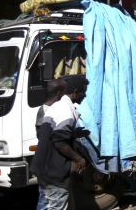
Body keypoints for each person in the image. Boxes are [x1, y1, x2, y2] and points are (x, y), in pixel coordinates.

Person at [31, 75, 89, 210]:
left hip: (45, 168)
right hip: (54, 171)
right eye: (83, 92)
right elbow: (59, 142)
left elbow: (52, 134)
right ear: (75, 92)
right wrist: (79, 158)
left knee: (46, 204)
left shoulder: (56, 106)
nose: (84, 95)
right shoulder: (66, 111)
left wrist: (75, 134)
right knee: (54, 205)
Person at [35, 79, 67, 210]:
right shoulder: (47, 111)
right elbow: (46, 137)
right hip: (50, 164)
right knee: (49, 201)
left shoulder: (45, 108)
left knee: (45, 200)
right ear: (59, 93)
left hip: (46, 163)